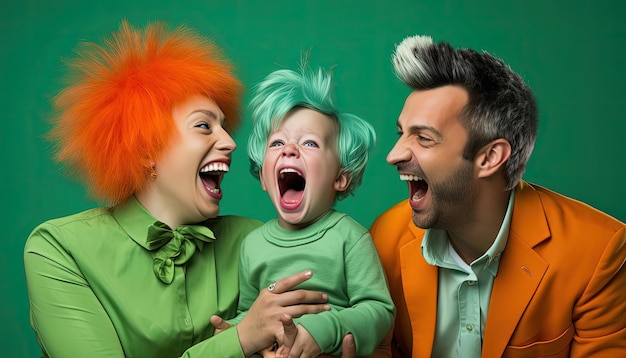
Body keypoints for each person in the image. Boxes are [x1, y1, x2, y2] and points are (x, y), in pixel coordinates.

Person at [23, 20, 356, 358]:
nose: (229, 142)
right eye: (203, 125)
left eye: (224, 127)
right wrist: (239, 340)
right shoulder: (59, 251)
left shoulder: (255, 241)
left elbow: (325, 325)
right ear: (147, 151)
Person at [371, 35, 626, 357]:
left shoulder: (596, 253)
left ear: (490, 158)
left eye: (423, 138)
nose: (393, 155)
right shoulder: (384, 239)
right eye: (401, 133)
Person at [214, 65, 395, 357]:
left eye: (310, 143)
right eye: (277, 143)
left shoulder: (350, 237)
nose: (290, 150)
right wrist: (233, 331)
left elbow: (379, 310)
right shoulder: (253, 246)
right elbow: (251, 313)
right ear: (262, 177)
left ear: (339, 177)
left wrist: (322, 332)